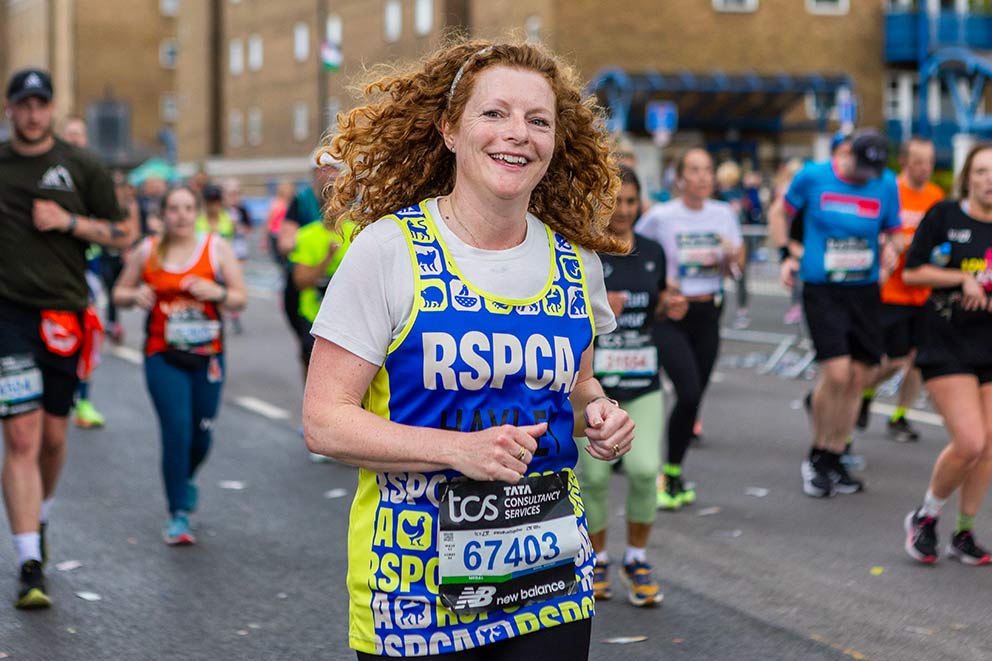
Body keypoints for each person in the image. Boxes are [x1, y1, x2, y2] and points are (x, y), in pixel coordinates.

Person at [302, 39, 634, 659]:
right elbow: (324, 422)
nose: (519, 134)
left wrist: (601, 413)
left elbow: (578, 384)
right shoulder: (388, 251)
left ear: (556, 141)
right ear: (450, 129)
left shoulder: (576, 262)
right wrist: (456, 449)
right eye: (495, 113)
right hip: (417, 596)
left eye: (538, 120)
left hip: (550, 580)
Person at [1, 68, 137, 609]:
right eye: (23, 104)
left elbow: (125, 232)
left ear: (51, 108)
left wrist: (68, 222)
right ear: (10, 108)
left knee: (55, 439)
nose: (33, 113)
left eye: (41, 104)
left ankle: (42, 515)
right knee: (22, 438)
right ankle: (28, 560)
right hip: (8, 317)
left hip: (64, 316)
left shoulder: (80, 166)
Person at [113, 186, 246, 545]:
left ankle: (184, 480)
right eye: (174, 208)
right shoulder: (148, 250)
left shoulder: (216, 248)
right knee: (177, 430)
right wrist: (134, 295)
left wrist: (216, 292)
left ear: (198, 212)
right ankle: (178, 514)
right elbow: (118, 293)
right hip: (162, 353)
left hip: (208, 356)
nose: (182, 215)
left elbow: (239, 297)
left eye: (189, 207)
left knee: (202, 434)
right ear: (163, 214)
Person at [779, 130, 903, 498]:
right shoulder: (813, 176)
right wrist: (787, 253)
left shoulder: (885, 184)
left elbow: (894, 231)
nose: (867, 176)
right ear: (846, 153)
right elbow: (780, 212)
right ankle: (817, 454)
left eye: (874, 170)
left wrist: (893, 250)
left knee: (860, 376)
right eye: (862, 167)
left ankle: (835, 453)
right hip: (823, 289)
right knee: (837, 372)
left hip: (864, 290)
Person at [581, 165, 676, 607]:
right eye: (616, 201)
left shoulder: (654, 251)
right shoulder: (587, 253)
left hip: (643, 382)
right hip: (597, 389)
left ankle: (636, 559)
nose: (623, 210)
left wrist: (670, 305)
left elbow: (660, 300)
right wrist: (596, 308)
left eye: (631, 202)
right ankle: (597, 559)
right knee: (595, 477)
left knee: (643, 472)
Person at [636, 147, 744, 510]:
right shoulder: (662, 217)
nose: (701, 177)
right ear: (679, 177)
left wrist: (732, 257)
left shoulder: (724, 214)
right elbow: (635, 248)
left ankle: (674, 469)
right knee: (689, 390)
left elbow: (738, 264)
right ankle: (662, 470)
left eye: (707, 170)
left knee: (695, 396)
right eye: (694, 170)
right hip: (672, 315)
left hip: (709, 310)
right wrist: (661, 286)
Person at [902, 142, 992, 565]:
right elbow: (911, 270)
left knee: (990, 445)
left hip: (989, 344)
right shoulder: (945, 216)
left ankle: (963, 533)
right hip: (946, 342)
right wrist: (961, 279)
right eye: (981, 172)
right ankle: (926, 516)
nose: (989, 180)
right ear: (967, 178)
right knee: (970, 441)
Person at [858, 136, 944, 442]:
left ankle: (900, 416)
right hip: (890, 291)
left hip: (923, 291)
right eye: (919, 162)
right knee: (892, 359)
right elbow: (873, 230)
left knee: (918, 359)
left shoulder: (935, 196)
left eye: (930, 163)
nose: (925, 169)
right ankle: (862, 392)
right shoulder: (889, 190)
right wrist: (896, 243)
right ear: (905, 161)